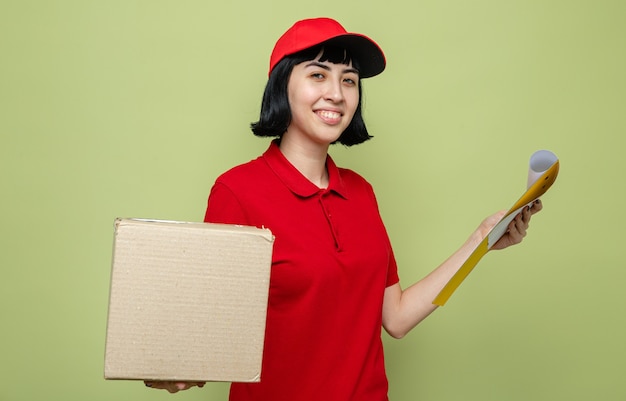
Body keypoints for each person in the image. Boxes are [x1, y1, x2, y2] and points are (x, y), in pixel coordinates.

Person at [145, 17, 542, 400]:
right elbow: (209, 333)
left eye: (348, 81)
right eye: (318, 74)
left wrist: (481, 242)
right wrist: (176, 367)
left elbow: (397, 318)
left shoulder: (361, 193)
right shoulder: (238, 192)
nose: (337, 92)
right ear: (283, 85)